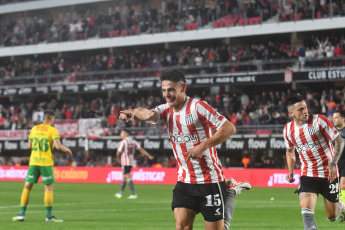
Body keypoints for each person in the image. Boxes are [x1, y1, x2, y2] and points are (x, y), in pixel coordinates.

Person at [119, 69, 251, 230]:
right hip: (184, 181)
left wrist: (203, 146)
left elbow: (229, 128)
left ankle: (229, 192)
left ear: (183, 88)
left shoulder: (198, 107)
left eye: (171, 90)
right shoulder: (165, 109)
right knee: (181, 226)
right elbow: (147, 113)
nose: (167, 94)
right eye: (164, 90)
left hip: (209, 180)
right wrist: (133, 112)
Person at [283, 95, 345, 229]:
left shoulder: (319, 121)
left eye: (305, 107)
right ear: (291, 113)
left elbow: (339, 141)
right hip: (308, 174)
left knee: (332, 217)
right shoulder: (288, 130)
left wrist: (333, 163)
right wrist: (290, 170)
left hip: (329, 173)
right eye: (300, 109)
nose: (305, 111)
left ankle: (340, 204)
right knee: (307, 214)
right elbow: (289, 152)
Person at [12, 110, 73, 222]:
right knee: (48, 188)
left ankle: (21, 214)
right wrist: (67, 150)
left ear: (42, 119)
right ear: (51, 119)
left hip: (34, 161)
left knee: (27, 187)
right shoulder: (52, 130)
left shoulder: (34, 129)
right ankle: (49, 217)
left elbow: (29, 145)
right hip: (46, 162)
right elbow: (58, 147)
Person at [114, 129, 154, 199]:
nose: (121, 135)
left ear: (126, 134)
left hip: (125, 162)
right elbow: (140, 149)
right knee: (124, 177)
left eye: (122, 133)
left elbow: (118, 152)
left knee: (127, 177)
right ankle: (120, 193)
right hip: (131, 161)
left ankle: (133, 194)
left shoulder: (123, 142)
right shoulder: (133, 141)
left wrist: (117, 158)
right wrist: (148, 155)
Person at [332, 109, 345, 222]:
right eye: (333, 118)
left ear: (343, 118)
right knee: (339, 188)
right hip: (336, 162)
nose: (334, 120)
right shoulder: (333, 132)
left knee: (343, 185)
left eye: (336, 117)